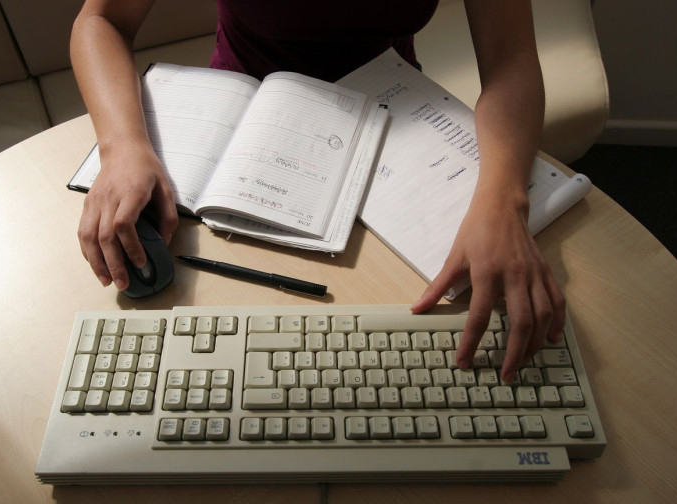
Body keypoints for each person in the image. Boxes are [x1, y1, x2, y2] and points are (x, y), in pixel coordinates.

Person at [70, 0, 565, 383]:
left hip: (393, 120)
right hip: (243, 123)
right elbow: (102, 20)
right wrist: (121, 146)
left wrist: (505, 200)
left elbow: (511, 58)